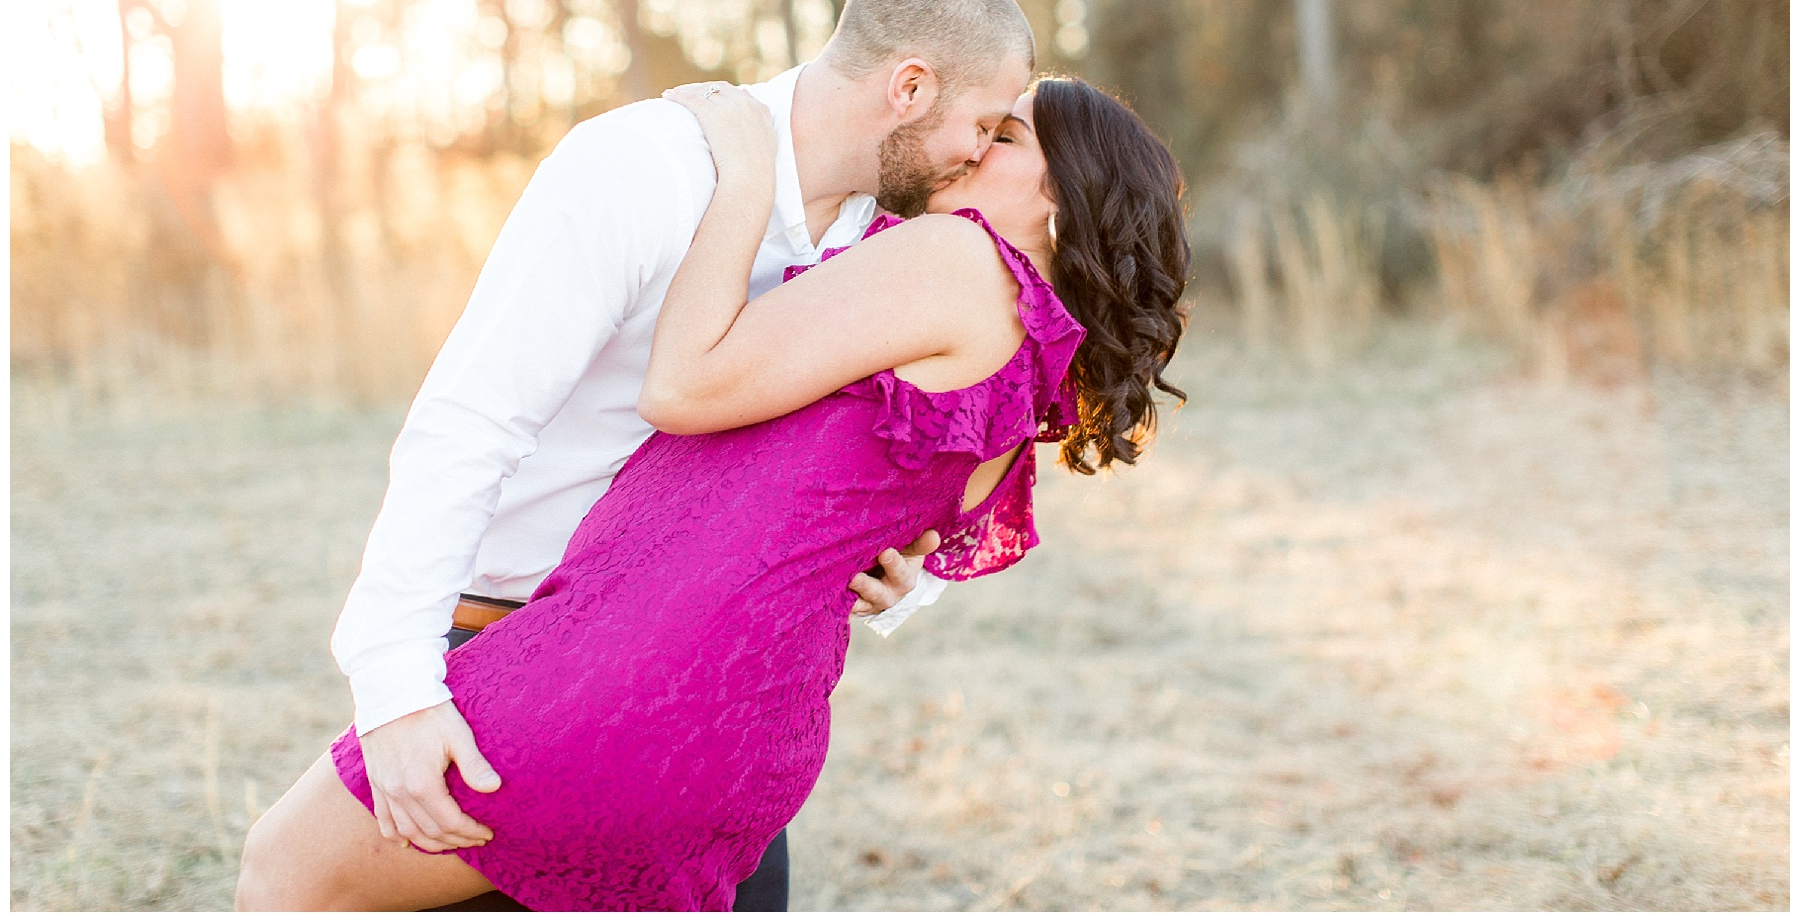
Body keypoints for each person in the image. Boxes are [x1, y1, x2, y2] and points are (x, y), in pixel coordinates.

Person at [236, 72, 1190, 910]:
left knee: (285, 874)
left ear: (1065, 203)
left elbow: (685, 384)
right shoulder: (1035, 369)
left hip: (628, 684)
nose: (977, 142)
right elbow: (882, 518)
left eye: (1010, 135)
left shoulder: (956, 257)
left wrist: (746, 178)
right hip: (754, 745)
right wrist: (892, 567)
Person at [297, 0, 1037, 911]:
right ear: (908, 87)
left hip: (698, 706)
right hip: (496, 654)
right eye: (981, 126)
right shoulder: (647, 166)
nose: (978, 158)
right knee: (293, 875)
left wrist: (895, 581)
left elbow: (864, 467)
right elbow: (468, 422)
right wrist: (397, 687)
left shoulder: (885, 250)